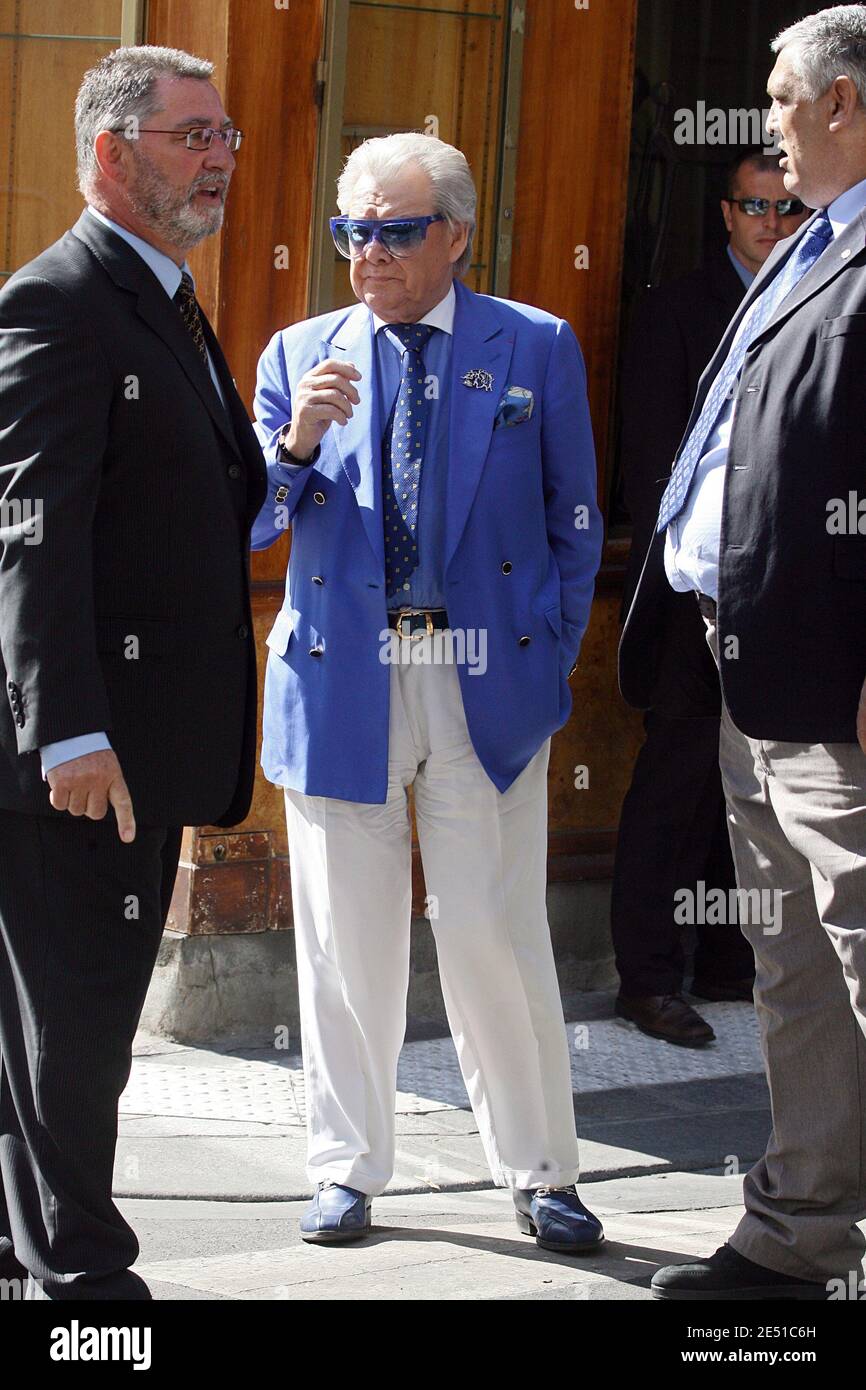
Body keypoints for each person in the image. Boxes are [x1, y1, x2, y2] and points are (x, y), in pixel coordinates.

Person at [252, 132, 605, 1252]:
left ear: (453, 233)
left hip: (483, 675)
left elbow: (573, 519)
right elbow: (252, 522)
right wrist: (299, 437)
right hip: (342, 677)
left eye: (396, 230)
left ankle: (541, 1171)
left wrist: (548, 649)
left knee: (493, 931)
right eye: (351, 230)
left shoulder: (534, 345)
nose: (369, 253)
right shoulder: (297, 352)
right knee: (342, 942)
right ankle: (344, 1170)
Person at [0, 46, 265, 1299]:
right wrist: (67, 734)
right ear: (111, 156)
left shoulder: (165, 297)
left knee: (67, 1017)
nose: (218, 156)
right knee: (81, 1019)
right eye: (190, 135)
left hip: (147, 737)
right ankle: (83, 1284)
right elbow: (31, 532)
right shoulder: (61, 299)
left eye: (225, 135)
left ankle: (26, 1249)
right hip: (89, 753)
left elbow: (184, 495)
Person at [620, 4, 866, 1299]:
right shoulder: (809, 243)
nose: (760, 120)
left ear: (839, 102)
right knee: (794, 971)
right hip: (746, 673)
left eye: (777, 97)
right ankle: (795, 1236)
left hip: (842, 696)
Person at [612, 150, 809, 1047]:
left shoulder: (812, 296)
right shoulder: (677, 310)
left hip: (778, 593)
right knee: (676, 778)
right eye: (754, 207)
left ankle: (731, 960)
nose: (772, 222)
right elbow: (657, 458)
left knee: (760, 786)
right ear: (725, 214)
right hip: (694, 584)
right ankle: (647, 978)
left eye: (786, 207)